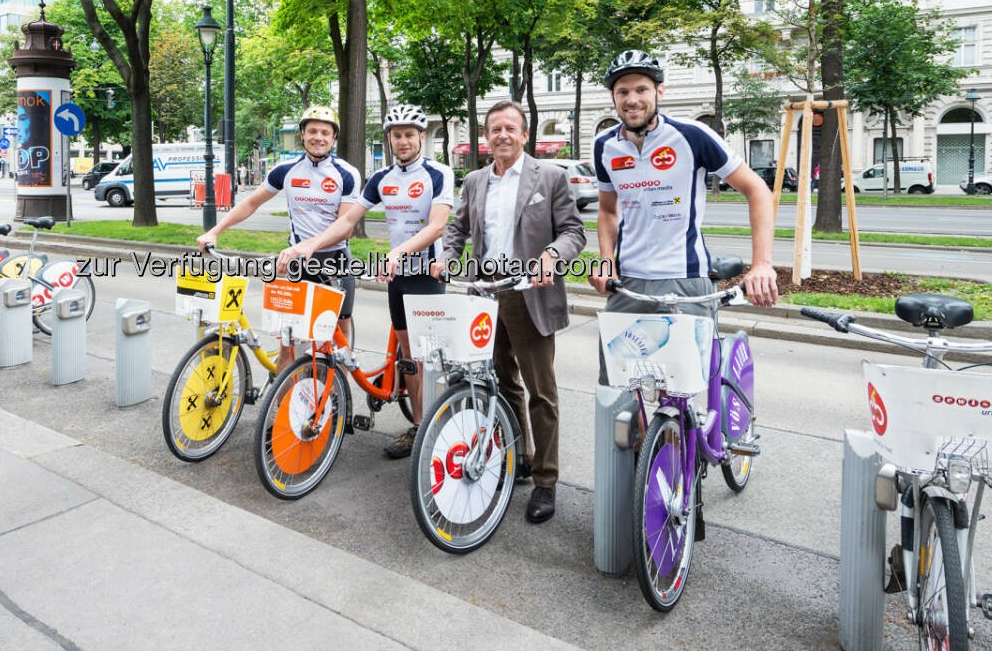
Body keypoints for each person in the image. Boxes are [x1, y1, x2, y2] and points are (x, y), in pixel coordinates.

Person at [436, 100, 587, 523]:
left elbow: (574, 232)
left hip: (530, 294)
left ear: (524, 135)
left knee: (542, 393)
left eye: (510, 129)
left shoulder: (551, 177)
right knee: (502, 383)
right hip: (485, 294)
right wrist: (450, 255)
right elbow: (458, 227)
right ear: (486, 138)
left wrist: (552, 255)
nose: (502, 135)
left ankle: (545, 481)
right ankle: (518, 456)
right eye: (494, 129)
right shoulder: (475, 180)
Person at [277, 105, 454, 458]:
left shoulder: (439, 173)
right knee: (406, 358)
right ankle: (418, 424)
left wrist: (399, 252)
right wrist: (309, 245)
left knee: (420, 358)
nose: (403, 141)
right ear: (389, 139)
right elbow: (347, 221)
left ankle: (427, 428)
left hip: (425, 275)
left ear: (421, 137)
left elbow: (437, 225)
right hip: (397, 276)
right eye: (397, 135)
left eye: (409, 135)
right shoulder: (381, 178)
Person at [589, 50, 779, 348]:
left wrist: (762, 264)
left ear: (659, 91)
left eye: (642, 89)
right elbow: (607, 211)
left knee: (681, 385)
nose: (632, 100)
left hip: (686, 278)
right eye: (622, 91)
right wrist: (605, 261)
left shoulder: (692, 135)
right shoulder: (604, 146)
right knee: (618, 383)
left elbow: (757, 190)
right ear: (613, 97)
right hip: (628, 283)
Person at [196, 105, 360, 369]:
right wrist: (216, 230)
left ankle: (338, 399)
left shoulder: (346, 173)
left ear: (334, 138)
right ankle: (281, 403)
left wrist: (309, 246)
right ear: (303, 135)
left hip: (335, 262)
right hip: (297, 263)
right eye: (313, 131)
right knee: (288, 342)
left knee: (338, 340)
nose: (319, 137)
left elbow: (345, 226)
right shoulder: (286, 169)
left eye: (325, 132)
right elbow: (251, 203)